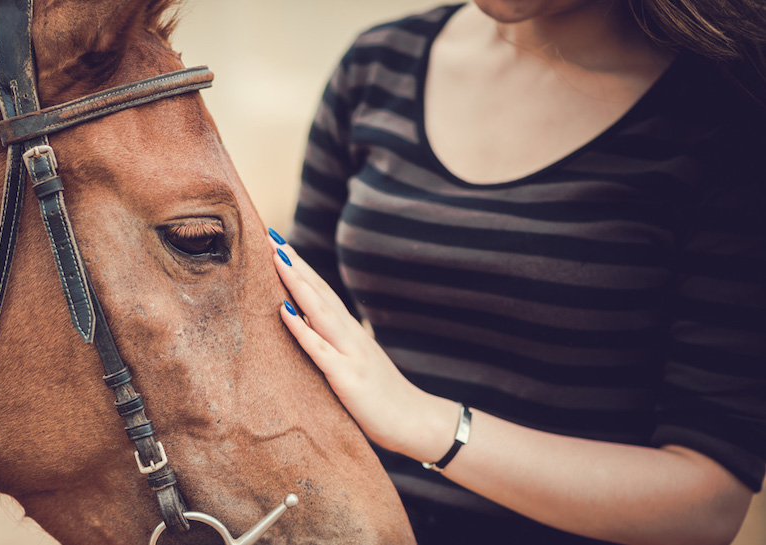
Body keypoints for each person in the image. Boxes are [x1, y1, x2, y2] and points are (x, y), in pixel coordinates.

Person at [266, 0, 766, 543]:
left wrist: (427, 424)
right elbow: (290, 330)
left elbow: (708, 506)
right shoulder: (377, 65)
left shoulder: (727, 112)